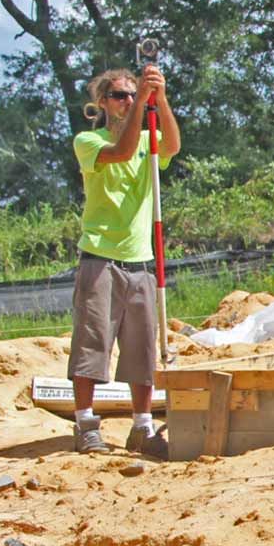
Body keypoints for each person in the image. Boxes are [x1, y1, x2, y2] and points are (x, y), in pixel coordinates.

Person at [70, 64, 181, 456]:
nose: (128, 102)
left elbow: (171, 146)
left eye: (134, 96)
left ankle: (142, 427)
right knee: (92, 345)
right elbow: (120, 152)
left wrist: (161, 99)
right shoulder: (89, 141)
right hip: (100, 258)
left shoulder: (149, 141)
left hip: (140, 262)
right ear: (102, 102)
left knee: (141, 351)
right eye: (119, 96)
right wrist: (141, 109)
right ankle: (85, 424)